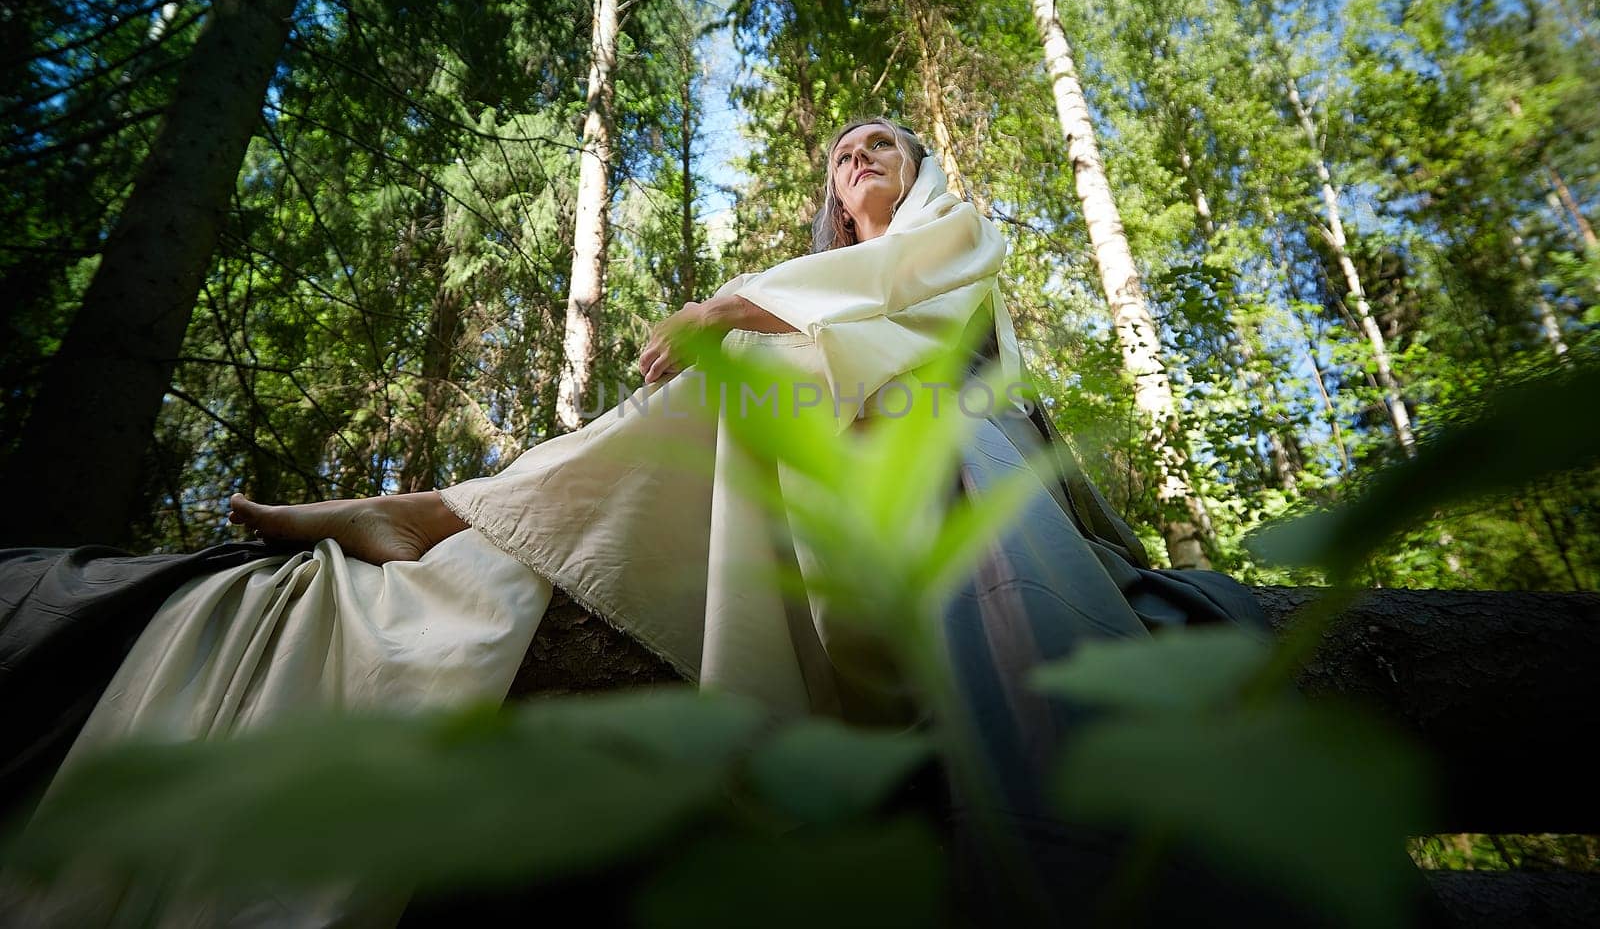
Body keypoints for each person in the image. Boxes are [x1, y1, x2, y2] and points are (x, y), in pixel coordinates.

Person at [2, 118, 1275, 921]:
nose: (855, 162)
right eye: (839, 156)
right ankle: (447, 513)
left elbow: (929, 323)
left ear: (920, 167)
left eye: (877, 144)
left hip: (937, 432)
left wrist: (743, 318)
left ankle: (436, 511)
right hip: (835, 420)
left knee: (759, 370)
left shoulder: (951, 227)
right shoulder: (817, 267)